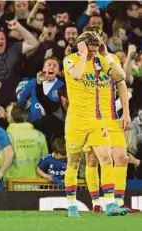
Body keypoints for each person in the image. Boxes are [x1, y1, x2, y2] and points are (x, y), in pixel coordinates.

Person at [63, 28, 128, 217]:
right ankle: (72, 206)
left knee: (106, 157)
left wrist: (106, 55)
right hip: (75, 121)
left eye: (95, 48)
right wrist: (83, 55)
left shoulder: (101, 60)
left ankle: (110, 205)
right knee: (73, 163)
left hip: (96, 119)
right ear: (82, 46)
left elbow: (121, 76)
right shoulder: (71, 60)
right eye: (91, 48)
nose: (94, 52)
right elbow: (76, 75)